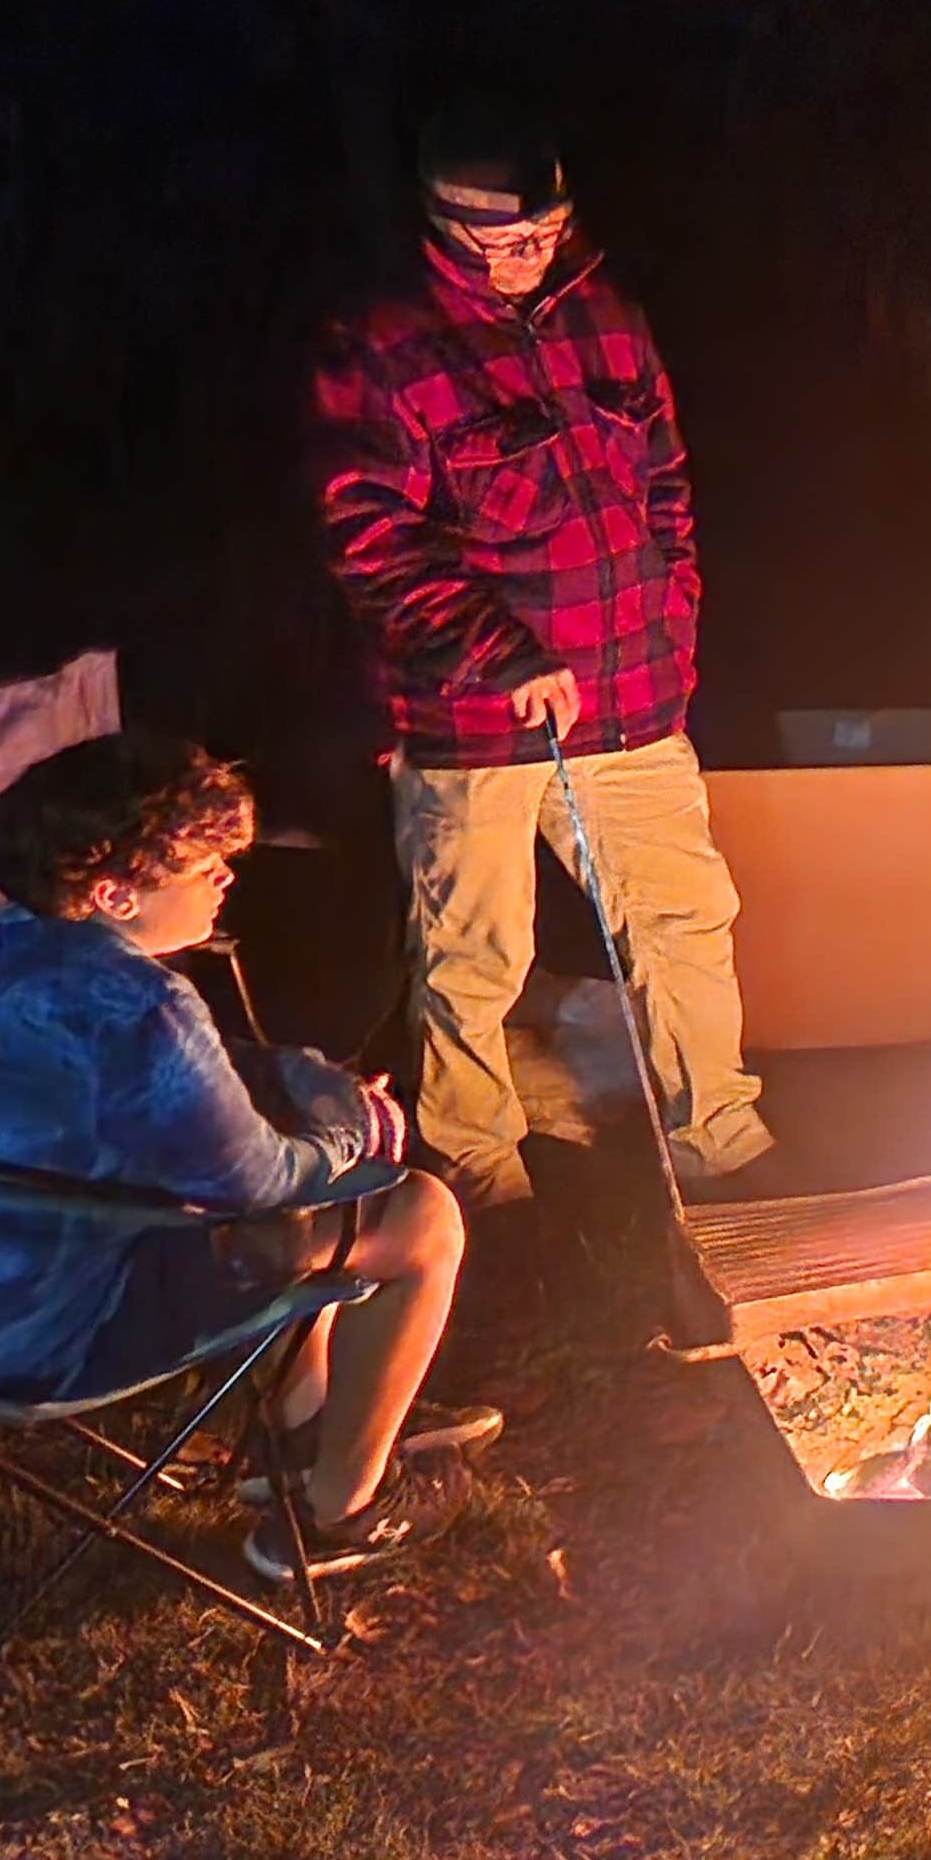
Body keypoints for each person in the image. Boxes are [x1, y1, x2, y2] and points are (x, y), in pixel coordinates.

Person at [309, 101, 781, 1223]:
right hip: (473, 720)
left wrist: (674, 623)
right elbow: (369, 535)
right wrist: (494, 649)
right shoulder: (380, 350)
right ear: (447, 231)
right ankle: (478, 1164)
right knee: (476, 950)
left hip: (635, 702)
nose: (533, 259)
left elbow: (664, 482)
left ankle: (720, 1134)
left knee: (684, 919)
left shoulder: (606, 315)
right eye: (508, 245)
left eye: (549, 234)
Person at [0, 734, 493, 1578]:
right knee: (415, 1214)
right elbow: (259, 1181)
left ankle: (301, 1433)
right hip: (53, 1334)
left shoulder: (6, 947)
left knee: (304, 1192)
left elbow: (180, 1080)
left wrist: (292, 1078)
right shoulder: (144, 1005)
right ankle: (336, 1517)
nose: (226, 878)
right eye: (202, 865)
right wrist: (353, 1124)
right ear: (113, 892)